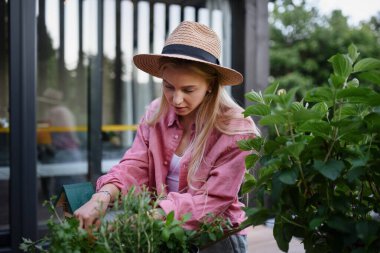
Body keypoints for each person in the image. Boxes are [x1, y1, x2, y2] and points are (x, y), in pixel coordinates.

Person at [74, 21, 259, 253]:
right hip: (160, 229)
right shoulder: (155, 113)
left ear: (211, 85)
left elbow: (213, 200)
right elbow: (136, 165)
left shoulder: (236, 127)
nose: (176, 99)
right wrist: (101, 197)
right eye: (169, 86)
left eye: (188, 90)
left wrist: (152, 216)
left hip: (214, 238)